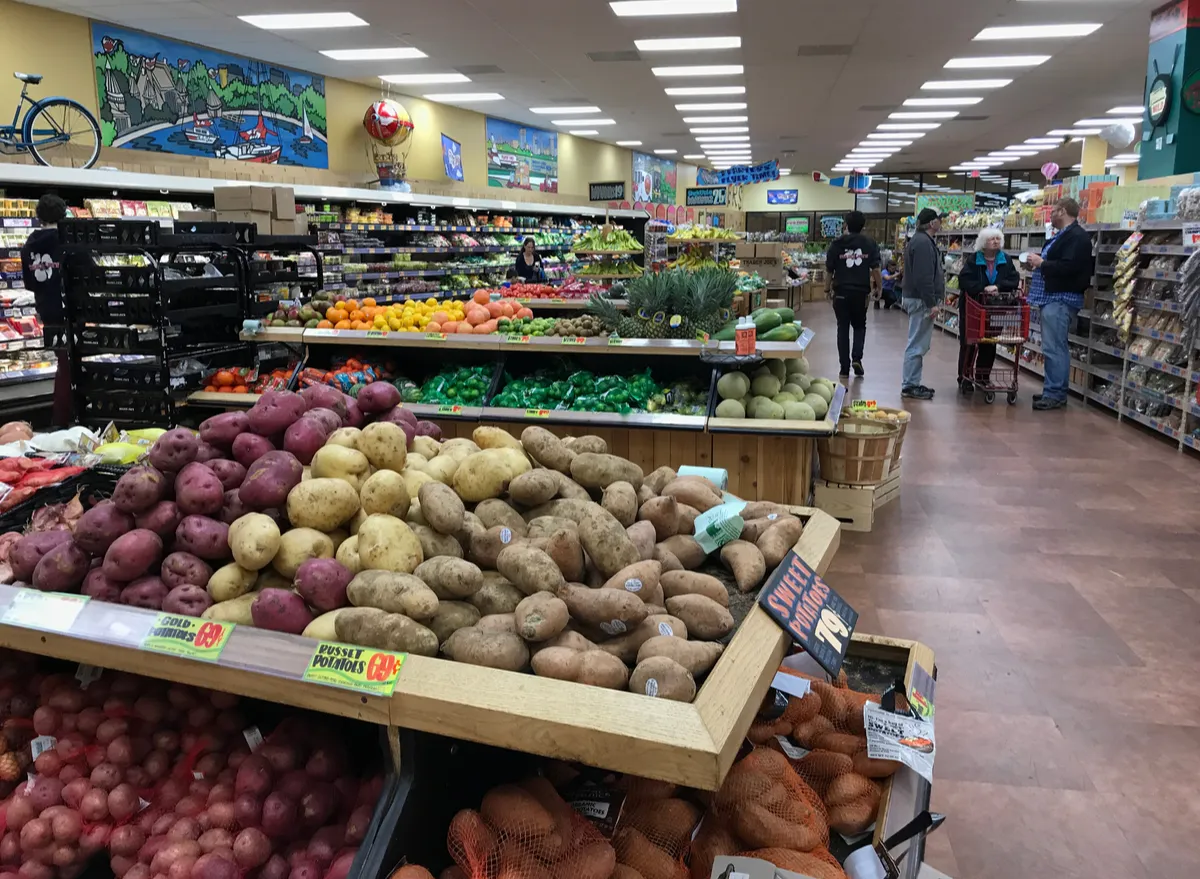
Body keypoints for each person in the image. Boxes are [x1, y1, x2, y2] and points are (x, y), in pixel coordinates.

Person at [1025, 197, 1092, 411]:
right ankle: (1053, 390)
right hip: (1052, 298)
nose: (1050, 215)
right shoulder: (1062, 236)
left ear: (1062, 211)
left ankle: (1055, 394)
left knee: (1055, 347)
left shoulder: (1077, 237)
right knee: (1053, 346)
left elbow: (1069, 267)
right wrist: (1037, 266)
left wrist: (1042, 263)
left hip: (1061, 299)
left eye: (1053, 211)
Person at [20, 194, 71, 426]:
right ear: (63, 214)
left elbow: (29, 283)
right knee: (72, 365)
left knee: (63, 362)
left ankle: (61, 417)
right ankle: (65, 418)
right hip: (71, 310)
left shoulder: (29, 246)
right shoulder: (66, 240)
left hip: (47, 313)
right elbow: (87, 271)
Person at [957, 228, 1020, 393]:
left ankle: (983, 377)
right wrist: (983, 288)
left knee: (989, 343)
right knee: (969, 342)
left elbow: (1013, 279)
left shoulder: (1005, 259)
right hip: (973, 307)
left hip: (995, 308)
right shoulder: (974, 259)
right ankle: (964, 377)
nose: (995, 241)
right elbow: (964, 280)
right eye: (992, 239)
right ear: (984, 242)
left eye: (998, 239)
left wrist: (998, 287)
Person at [824, 211, 881, 378]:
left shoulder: (836, 243)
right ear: (863, 226)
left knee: (842, 328)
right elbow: (876, 269)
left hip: (840, 291)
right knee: (859, 325)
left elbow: (829, 270)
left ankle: (844, 367)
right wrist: (879, 287)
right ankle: (857, 358)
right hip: (860, 292)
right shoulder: (870, 243)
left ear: (846, 225)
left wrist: (827, 289)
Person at [900, 208, 945, 400]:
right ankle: (910, 385)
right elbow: (923, 276)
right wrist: (931, 302)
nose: (941, 223)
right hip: (920, 300)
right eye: (939, 220)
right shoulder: (923, 243)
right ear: (932, 223)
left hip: (918, 298)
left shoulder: (920, 241)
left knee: (918, 342)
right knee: (917, 343)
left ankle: (913, 382)